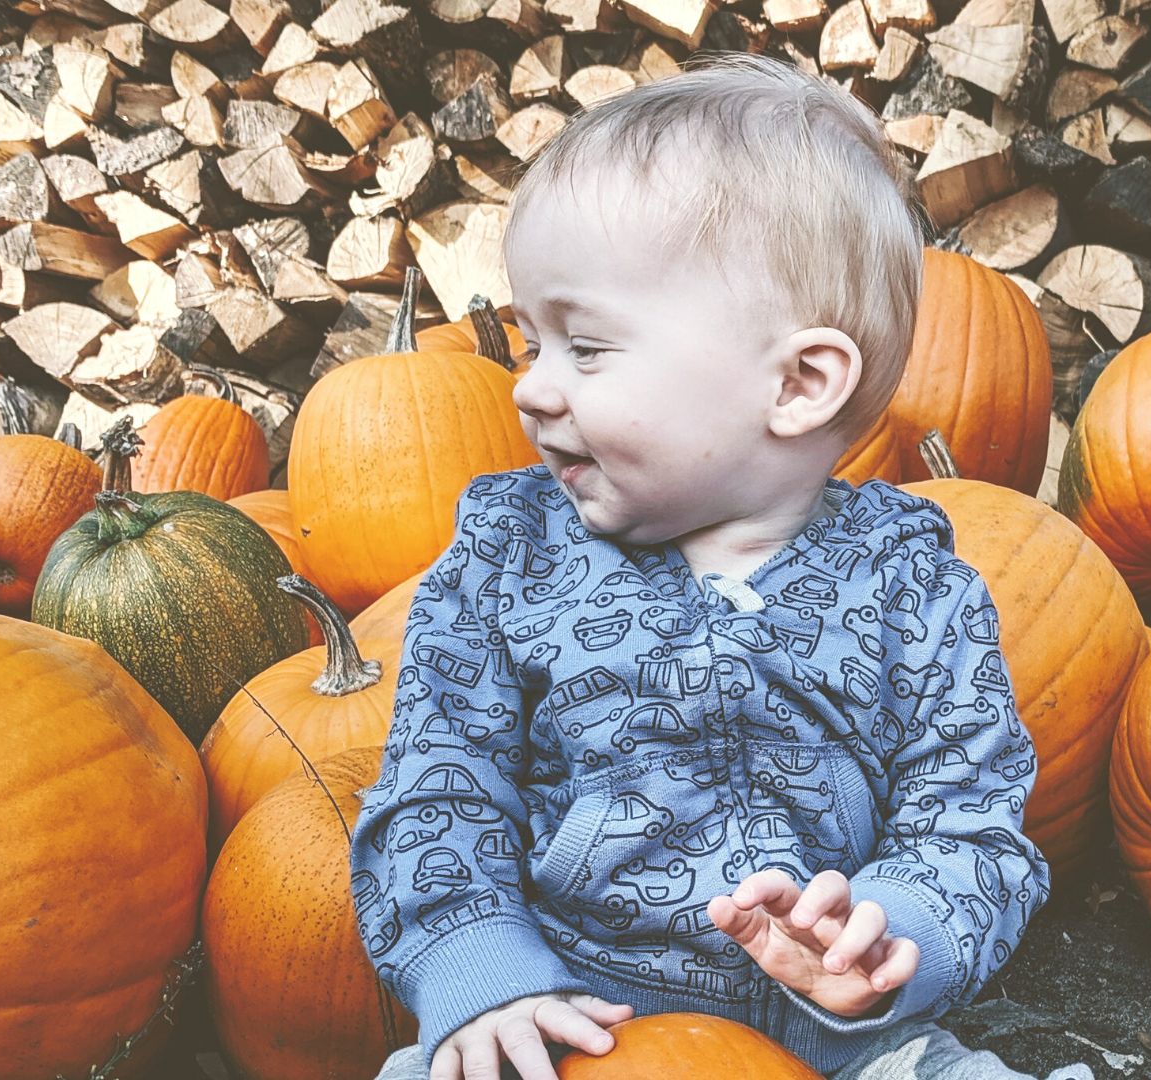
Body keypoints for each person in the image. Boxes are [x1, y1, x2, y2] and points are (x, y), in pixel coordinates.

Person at [351, 51, 1093, 1080]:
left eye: (587, 348)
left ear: (798, 383)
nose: (530, 390)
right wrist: (483, 975)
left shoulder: (912, 590)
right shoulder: (504, 561)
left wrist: (884, 939)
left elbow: (970, 824)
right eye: (531, 343)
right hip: (576, 1018)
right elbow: (438, 791)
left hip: (848, 1040)